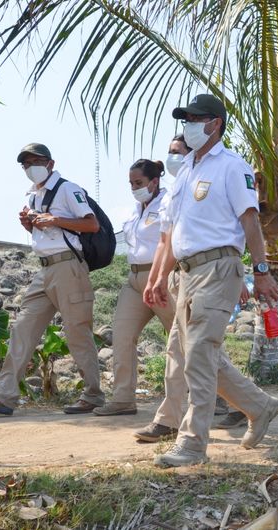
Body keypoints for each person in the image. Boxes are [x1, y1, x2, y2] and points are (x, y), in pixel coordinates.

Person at [144, 93, 278, 467]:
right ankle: (260, 406)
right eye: (184, 119)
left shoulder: (231, 167)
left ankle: (192, 444)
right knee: (191, 353)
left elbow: (250, 220)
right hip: (186, 273)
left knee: (200, 354)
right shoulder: (185, 171)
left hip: (219, 267)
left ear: (214, 123)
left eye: (194, 118)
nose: (187, 125)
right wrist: (158, 277)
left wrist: (261, 270)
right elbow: (173, 234)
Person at [0, 143, 104, 415]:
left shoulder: (67, 189)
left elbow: (91, 224)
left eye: (35, 162)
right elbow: (45, 230)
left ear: (50, 163)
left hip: (68, 266)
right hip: (45, 269)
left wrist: (54, 220)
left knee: (77, 332)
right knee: (23, 328)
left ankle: (93, 395)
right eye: (26, 164)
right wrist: (30, 224)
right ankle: (4, 394)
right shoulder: (33, 196)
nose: (30, 168)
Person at [92, 159, 175, 416]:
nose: (134, 188)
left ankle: (221, 397)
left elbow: (171, 242)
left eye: (138, 183)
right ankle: (123, 399)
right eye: (131, 183)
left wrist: (161, 276)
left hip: (162, 276)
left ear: (154, 181)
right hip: (135, 279)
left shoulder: (169, 203)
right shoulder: (134, 209)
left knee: (186, 338)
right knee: (122, 336)